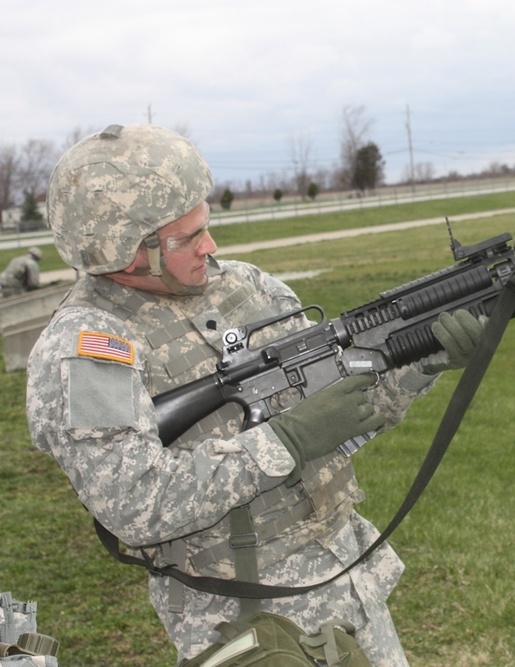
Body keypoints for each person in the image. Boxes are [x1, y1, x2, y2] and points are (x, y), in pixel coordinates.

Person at [26, 124, 484, 665]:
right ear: (128, 253)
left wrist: (420, 361)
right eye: (186, 238)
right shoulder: (88, 349)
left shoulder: (246, 287)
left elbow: (344, 412)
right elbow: (134, 503)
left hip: (348, 583)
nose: (210, 247)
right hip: (247, 620)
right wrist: (286, 439)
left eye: (206, 226)